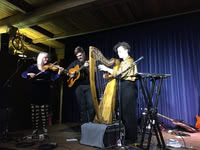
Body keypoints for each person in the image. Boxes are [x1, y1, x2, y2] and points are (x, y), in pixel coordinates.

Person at [98, 42, 138, 144]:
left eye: (120, 51)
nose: (118, 53)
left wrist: (106, 68)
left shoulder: (130, 61)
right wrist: (107, 75)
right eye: (118, 52)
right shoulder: (123, 62)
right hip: (124, 87)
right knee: (124, 113)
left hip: (129, 87)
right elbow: (118, 75)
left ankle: (132, 139)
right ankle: (129, 137)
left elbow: (120, 73)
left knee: (128, 114)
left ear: (126, 50)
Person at [21, 52, 63, 138]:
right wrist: (29, 74)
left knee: (44, 113)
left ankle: (44, 129)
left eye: (47, 58)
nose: (46, 60)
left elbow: (53, 78)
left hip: (45, 92)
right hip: (34, 92)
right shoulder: (33, 67)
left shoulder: (49, 68)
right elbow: (23, 74)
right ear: (40, 58)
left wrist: (59, 72)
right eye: (45, 58)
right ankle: (35, 130)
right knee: (34, 113)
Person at [66, 46, 95, 123]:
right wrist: (70, 74)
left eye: (80, 55)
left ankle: (91, 123)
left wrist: (86, 67)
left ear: (84, 54)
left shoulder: (89, 61)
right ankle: (84, 125)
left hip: (88, 86)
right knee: (82, 107)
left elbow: (93, 72)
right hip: (78, 87)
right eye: (77, 56)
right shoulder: (74, 63)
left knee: (91, 106)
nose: (79, 57)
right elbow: (67, 71)